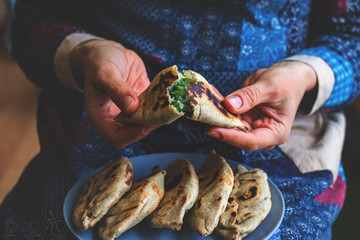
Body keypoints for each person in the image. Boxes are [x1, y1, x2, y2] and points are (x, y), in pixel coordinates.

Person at [1, 0, 359, 239]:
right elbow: (31, 19)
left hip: (278, 136)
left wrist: (303, 74)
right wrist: (82, 52)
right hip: (99, 126)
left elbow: (352, 37)